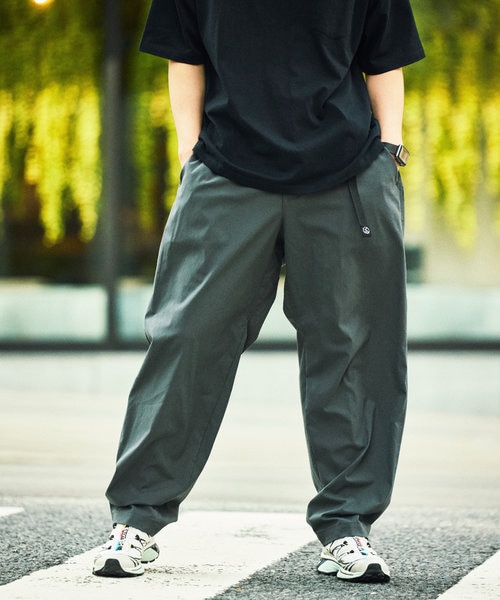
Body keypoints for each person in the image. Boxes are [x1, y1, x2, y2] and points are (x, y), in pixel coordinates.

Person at [92, 0, 425, 584]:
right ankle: (136, 518)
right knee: (186, 339)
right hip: (226, 171)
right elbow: (184, 57)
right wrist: (190, 154)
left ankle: (348, 526)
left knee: (351, 350)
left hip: (347, 172)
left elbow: (384, 60)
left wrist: (387, 153)